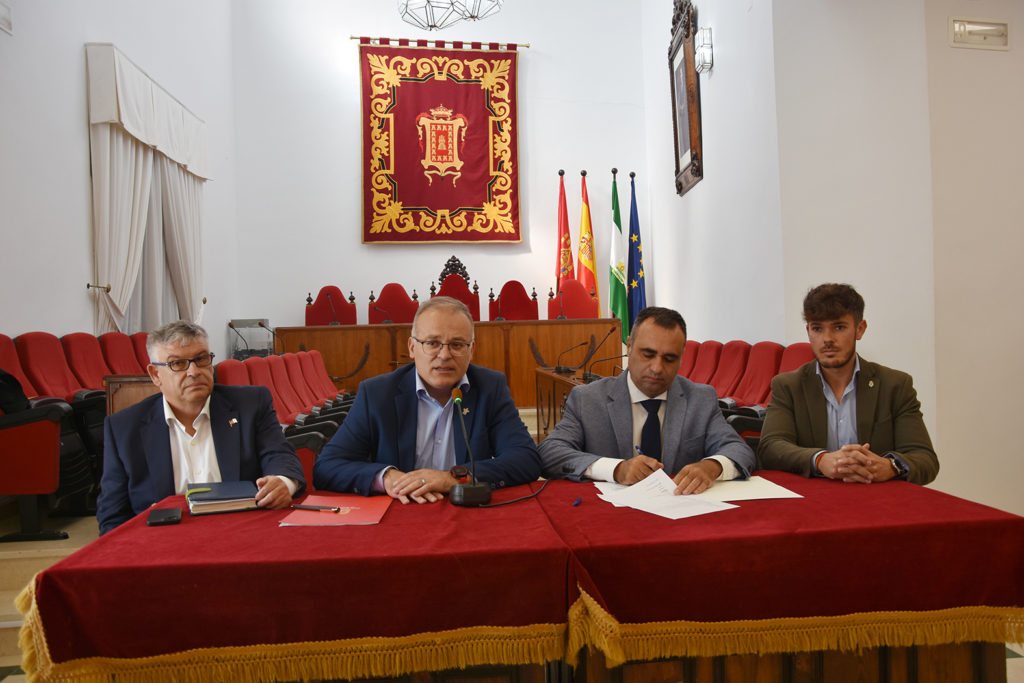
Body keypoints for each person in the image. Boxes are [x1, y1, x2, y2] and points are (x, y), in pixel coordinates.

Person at [313, 296, 541, 502]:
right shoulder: (376, 393)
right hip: (399, 516)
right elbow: (327, 466)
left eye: (457, 345)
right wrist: (387, 478)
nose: (444, 355)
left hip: (468, 512)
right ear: (412, 347)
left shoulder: (490, 388)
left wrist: (453, 478)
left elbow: (525, 459)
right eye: (432, 343)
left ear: (472, 350)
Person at [97, 321, 305, 534]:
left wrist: (282, 482)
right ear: (155, 375)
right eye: (177, 364)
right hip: (163, 545)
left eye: (201, 359)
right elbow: (112, 518)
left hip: (241, 536)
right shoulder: (124, 428)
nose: (194, 371)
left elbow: (281, 456)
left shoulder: (250, 405)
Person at [539, 306, 755, 494]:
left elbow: (738, 449)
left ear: (681, 357)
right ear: (630, 346)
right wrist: (616, 469)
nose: (657, 368)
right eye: (648, 354)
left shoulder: (700, 398)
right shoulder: (588, 399)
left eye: (669, 358)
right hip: (610, 521)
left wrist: (712, 466)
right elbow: (550, 452)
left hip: (680, 515)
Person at [758, 283, 938, 485]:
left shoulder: (895, 385)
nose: (827, 339)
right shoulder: (789, 386)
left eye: (839, 327)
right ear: (808, 331)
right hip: (813, 502)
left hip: (879, 502)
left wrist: (891, 466)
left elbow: (925, 459)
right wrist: (821, 460)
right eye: (817, 328)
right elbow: (770, 448)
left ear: (860, 329)